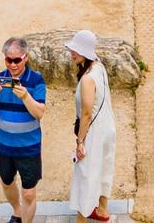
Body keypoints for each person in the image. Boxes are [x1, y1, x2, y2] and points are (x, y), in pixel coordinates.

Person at [0, 37, 48, 223]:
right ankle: (17, 212)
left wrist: (26, 96)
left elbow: (39, 113)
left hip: (29, 147)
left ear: (25, 58)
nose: (12, 65)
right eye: (8, 60)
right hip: (4, 146)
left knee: (28, 193)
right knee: (7, 182)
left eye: (16, 60)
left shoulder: (36, 80)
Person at [66, 30, 117, 223]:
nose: (72, 53)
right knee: (104, 168)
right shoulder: (99, 67)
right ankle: (102, 211)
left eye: (76, 50)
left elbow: (86, 113)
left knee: (84, 174)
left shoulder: (87, 79)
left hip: (93, 132)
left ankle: (81, 219)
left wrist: (80, 141)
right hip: (107, 127)